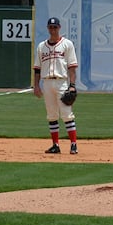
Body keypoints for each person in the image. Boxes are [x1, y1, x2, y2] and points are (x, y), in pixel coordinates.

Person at [32, 16, 79, 154]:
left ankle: (74, 144)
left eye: (55, 27)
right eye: (50, 27)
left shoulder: (67, 44)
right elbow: (37, 69)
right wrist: (36, 85)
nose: (53, 30)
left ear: (59, 28)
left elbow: (72, 67)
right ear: (48, 28)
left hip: (62, 82)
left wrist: (72, 85)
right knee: (51, 115)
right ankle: (55, 145)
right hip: (46, 82)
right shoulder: (41, 46)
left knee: (66, 114)